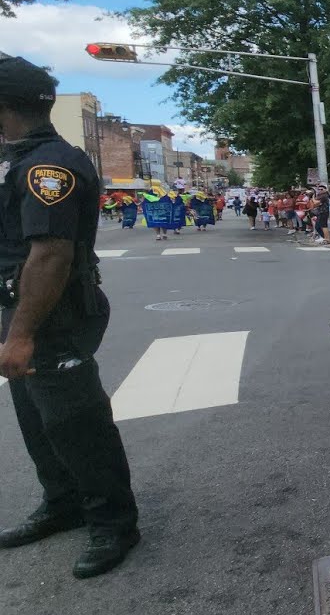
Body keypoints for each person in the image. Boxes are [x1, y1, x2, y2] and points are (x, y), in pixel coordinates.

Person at [0, 55, 140, 578]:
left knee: (76, 423)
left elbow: (50, 255)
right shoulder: (17, 159)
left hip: (52, 316)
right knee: (37, 417)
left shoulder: (48, 166)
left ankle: (113, 522)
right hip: (23, 311)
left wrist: (21, 335)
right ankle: (63, 502)